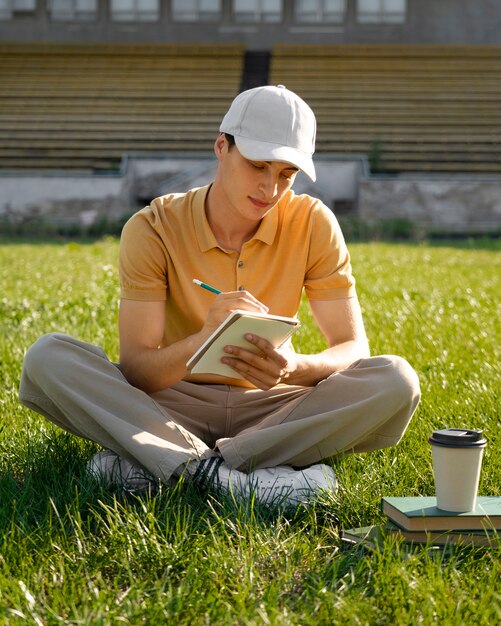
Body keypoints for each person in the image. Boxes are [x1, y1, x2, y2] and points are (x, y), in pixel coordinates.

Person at [19, 85, 420, 508]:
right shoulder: (153, 226)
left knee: (396, 379)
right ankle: (240, 477)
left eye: (286, 174)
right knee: (49, 357)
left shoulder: (314, 223)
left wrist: (296, 368)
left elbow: (353, 348)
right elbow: (137, 369)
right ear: (221, 147)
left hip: (272, 409)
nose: (270, 188)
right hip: (171, 400)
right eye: (258, 165)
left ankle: (166, 465)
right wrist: (201, 341)